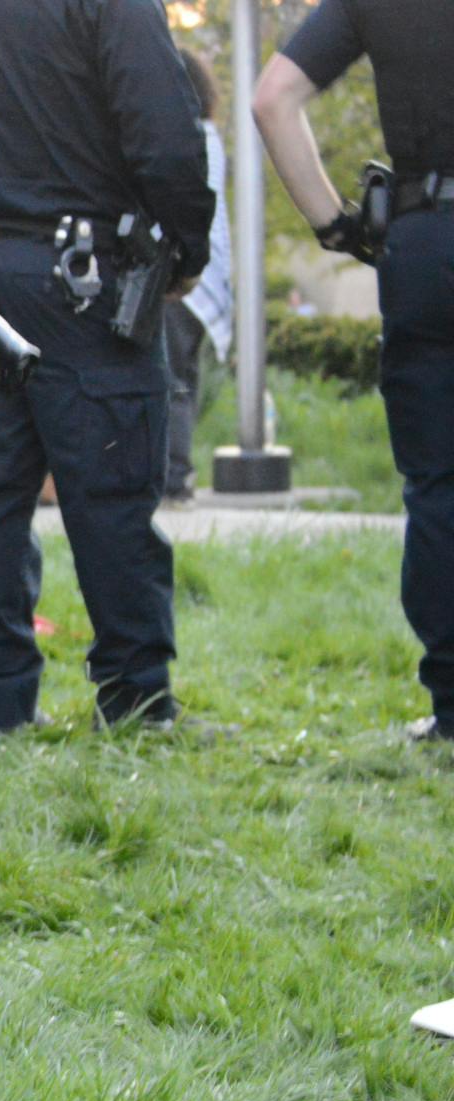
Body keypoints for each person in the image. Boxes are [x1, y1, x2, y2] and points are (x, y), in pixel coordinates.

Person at [0, 0, 215, 732]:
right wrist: (185, 251)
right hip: (89, 279)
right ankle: (135, 699)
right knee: (113, 493)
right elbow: (166, 138)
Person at [254, 0, 454, 744]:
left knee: (436, 484)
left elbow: (273, 99)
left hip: (425, 242)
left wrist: (335, 223)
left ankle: (452, 706)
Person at [165, 49, 232, 504]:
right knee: (183, 378)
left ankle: (172, 476)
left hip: (185, 278)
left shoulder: (188, 137)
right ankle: (179, 473)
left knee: (172, 381)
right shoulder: (211, 136)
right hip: (209, 281)